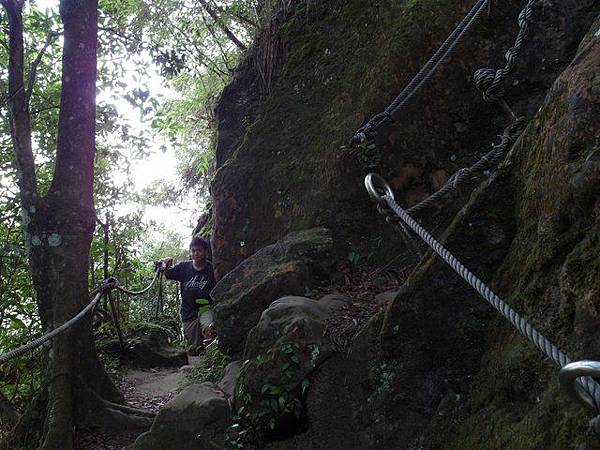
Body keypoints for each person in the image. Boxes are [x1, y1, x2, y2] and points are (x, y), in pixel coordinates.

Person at [161, 236, 216, 356]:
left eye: (199, 250)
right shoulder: (184, 267)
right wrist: (165, 264)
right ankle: (198, 362)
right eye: (194, 250)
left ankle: (210, 360)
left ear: (205, 251)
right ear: (191, 252)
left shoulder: (211, 268)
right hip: (188, 312)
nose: (196, 253)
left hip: (205, 308)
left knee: (209, 334)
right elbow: (168, 273)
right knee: (194, 349)